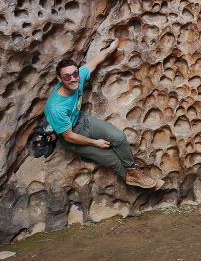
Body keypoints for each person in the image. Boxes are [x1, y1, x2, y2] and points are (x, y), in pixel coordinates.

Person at [44, 40, 163, 189]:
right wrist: (95, 142)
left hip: (81, 119)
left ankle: (133, 172)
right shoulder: (57, 108)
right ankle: (129, 177)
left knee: (119, 137)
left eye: (75, 73)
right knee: (111, 158)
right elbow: (69, 136)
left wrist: (110, 49)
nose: (73, 78)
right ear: (59, 79)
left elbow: (95, 61)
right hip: (71, 135)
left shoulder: (78, 77)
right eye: (67, 76)